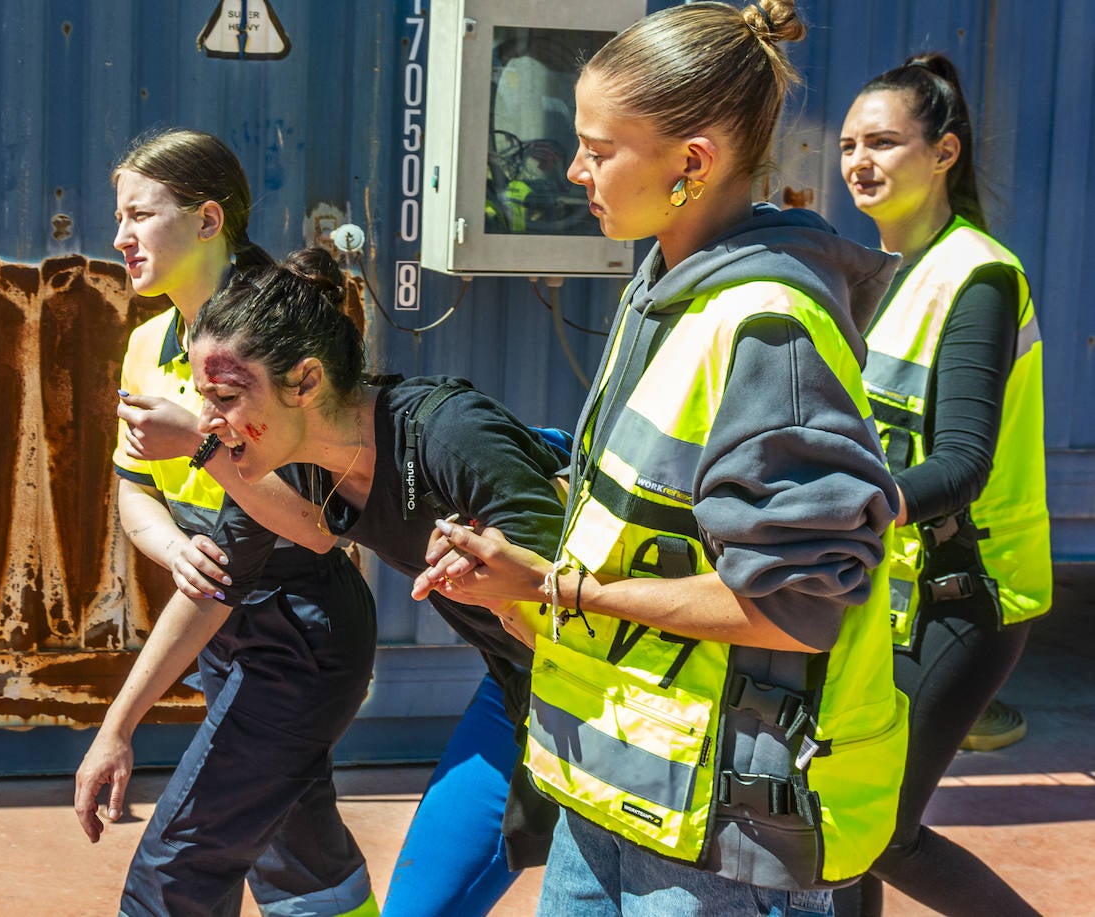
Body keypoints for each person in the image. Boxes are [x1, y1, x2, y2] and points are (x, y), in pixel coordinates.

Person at [412, 1, 911, 913]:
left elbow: (796, 610)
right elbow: (658, 515)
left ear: (693, 161)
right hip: (611, 793)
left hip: (718, 841)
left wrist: (556, 590)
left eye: (600, 150)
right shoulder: (666, 286)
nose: (575, 170)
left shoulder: (768, 327)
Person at [145, 244, 572, 916]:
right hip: (522, 689)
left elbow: (583, 611)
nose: (209, 422)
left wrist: (502, 584)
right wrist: (116, 728)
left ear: (306, 380)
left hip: (615, 703)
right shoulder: (302, 467)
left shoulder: (447, 435)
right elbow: (215, 587)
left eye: (225, 397)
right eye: (204, 399)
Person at [72, 129, 379, 917]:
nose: (120, 235)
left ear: (208, 220)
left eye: (140, 213)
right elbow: (136, 487)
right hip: (226, 628)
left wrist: (117, 724)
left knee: (176, 867)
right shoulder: (149, 343)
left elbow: (315, 529)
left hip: (298, 634)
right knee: (296, 852)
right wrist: (177, 547)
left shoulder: (274, 343)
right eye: (118, 215)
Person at [832, 53, 1050, 917]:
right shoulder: (875, 273)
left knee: (878, 829)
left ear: (945, 152)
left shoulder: (979, 278)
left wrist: (842, 507)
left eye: (884, 141)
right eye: (850, 144)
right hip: (883, 591)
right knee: (838, 819)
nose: (859, 162)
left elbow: (961, 465)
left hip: (964, 597)